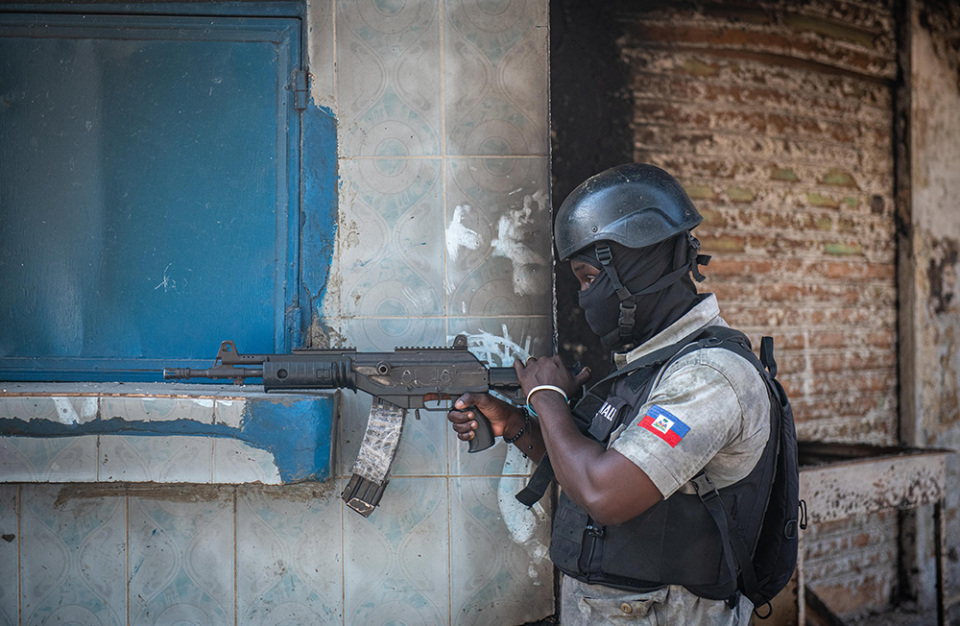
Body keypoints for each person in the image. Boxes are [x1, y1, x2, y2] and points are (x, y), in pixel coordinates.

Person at [447, 163, 773, 625]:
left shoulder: (708, 377)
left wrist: (546, 396)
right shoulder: (652, 366)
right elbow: (588, 463)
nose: (585, 298)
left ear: (638, 267)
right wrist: (516, 423)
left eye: (588, 278)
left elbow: (603, 491)